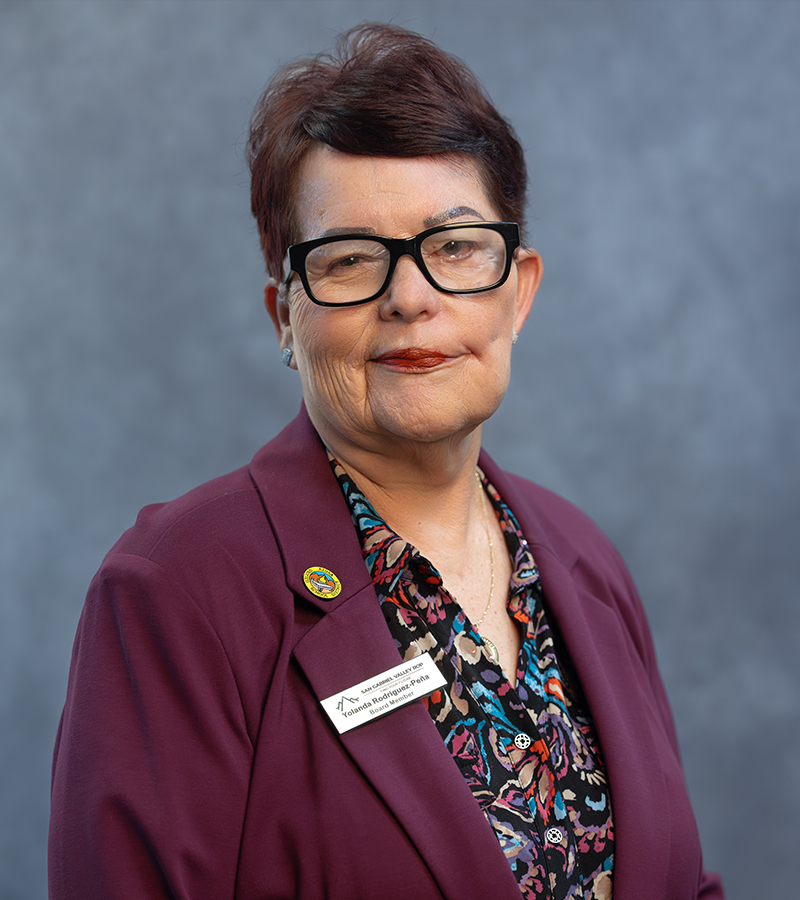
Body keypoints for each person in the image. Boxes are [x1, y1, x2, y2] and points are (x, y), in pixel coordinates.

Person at [48, 23, 724, 900]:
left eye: (453, 248)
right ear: (284, 317)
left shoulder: (582, 559)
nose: (411, 297)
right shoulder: (175, 594)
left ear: (517, 293)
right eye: (352, 259)